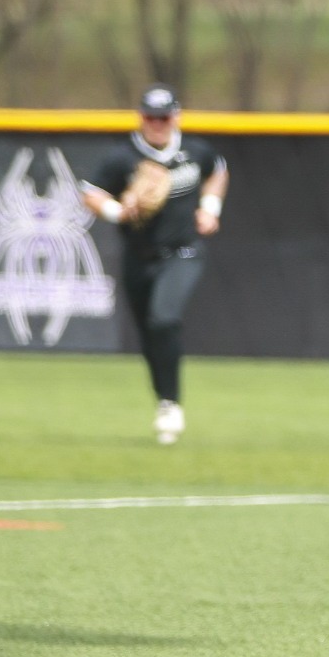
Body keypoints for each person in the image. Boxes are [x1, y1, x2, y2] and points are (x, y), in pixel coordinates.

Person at [78, 85, 228, 445]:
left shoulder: (195, 151)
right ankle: (166, 400)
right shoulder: (123, 157)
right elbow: (89, 192)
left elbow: (218, 171)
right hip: (139, 258)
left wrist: (210, 209)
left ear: (175, 116)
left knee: (165, 319)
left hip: (183, 251)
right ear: (141, 117)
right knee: (149, 336)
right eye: (151, 116)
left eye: (164, 116)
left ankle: (171, 404)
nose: (158, 124)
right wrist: (118, 211)